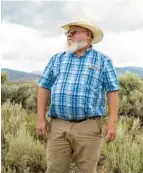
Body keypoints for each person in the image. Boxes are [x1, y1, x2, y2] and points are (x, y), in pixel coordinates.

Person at [36, 19, 120, 173]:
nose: (69, 35)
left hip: (88, 126)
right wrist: (41, 118)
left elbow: (112, 90)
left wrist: (112, 122)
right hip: (58, 125)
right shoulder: (57, 59)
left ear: (87, 35)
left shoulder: (102, 61)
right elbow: (44, 86)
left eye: (73, 32)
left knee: (86, 170)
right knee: (54, 169)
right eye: (67, 33)